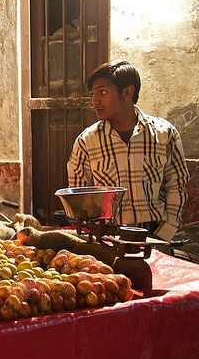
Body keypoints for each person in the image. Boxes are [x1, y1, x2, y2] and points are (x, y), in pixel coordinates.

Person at [67, 60, 189, 243]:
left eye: (102, 92)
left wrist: (164, 234)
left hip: (155, 234)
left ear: (127, 92)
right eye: (93, 94)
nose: (94, 101)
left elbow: (176, 187)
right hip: (107, 237)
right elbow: (79, 199)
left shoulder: (164, 135)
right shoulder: (87, 141)